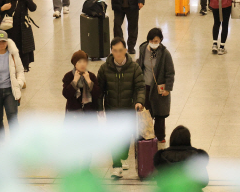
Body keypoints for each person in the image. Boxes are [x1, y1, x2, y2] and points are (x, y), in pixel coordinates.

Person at [97, 37, 145, 177]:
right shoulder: (104, 68)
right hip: (111, 109)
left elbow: (140, 87)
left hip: (128, 110)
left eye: (120, 50)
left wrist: (139, 101)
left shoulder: (134, 67)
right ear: (111, 51)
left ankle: (123, 156)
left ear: (125, 50)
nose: (118, 54)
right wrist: (100, 108)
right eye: (115, 51)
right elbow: (99, 90)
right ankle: (116, 166)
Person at [137, 28, 175, 144]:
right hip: (145, 87)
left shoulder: (165, 54)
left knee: (159, 114)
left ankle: (160, 136)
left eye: (156, 41)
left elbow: (170, 72)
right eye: (152, 41)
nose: (154, 43)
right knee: (145, 113)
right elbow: (140, 65)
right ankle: (145, 134)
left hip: (158, 89)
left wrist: (168, 88)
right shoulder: (143, 49)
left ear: (160, 41)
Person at [0, 0, 37, 71]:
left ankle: (22, 75)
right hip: (9, 31)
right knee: (11, 52)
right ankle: (13, 74)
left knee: (23, 53)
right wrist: (2, 8)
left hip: (23, 30)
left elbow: (33, 8)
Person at [154, 126, 209, 190]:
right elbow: (203, 182)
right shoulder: (197, 156)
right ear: (188, 139)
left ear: (172, 139)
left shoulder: (162, 156)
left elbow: (160, 182)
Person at [62, 50, 101, 115]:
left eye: (84, 61)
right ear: (75, 64)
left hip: (90, 114)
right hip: (74, 115)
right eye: (79, 62)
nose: (82, 64)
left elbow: (97, 94)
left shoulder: (91, 76)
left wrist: (89, 81)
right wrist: (74, 81)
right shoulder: (68, 76)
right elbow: (66, 94)